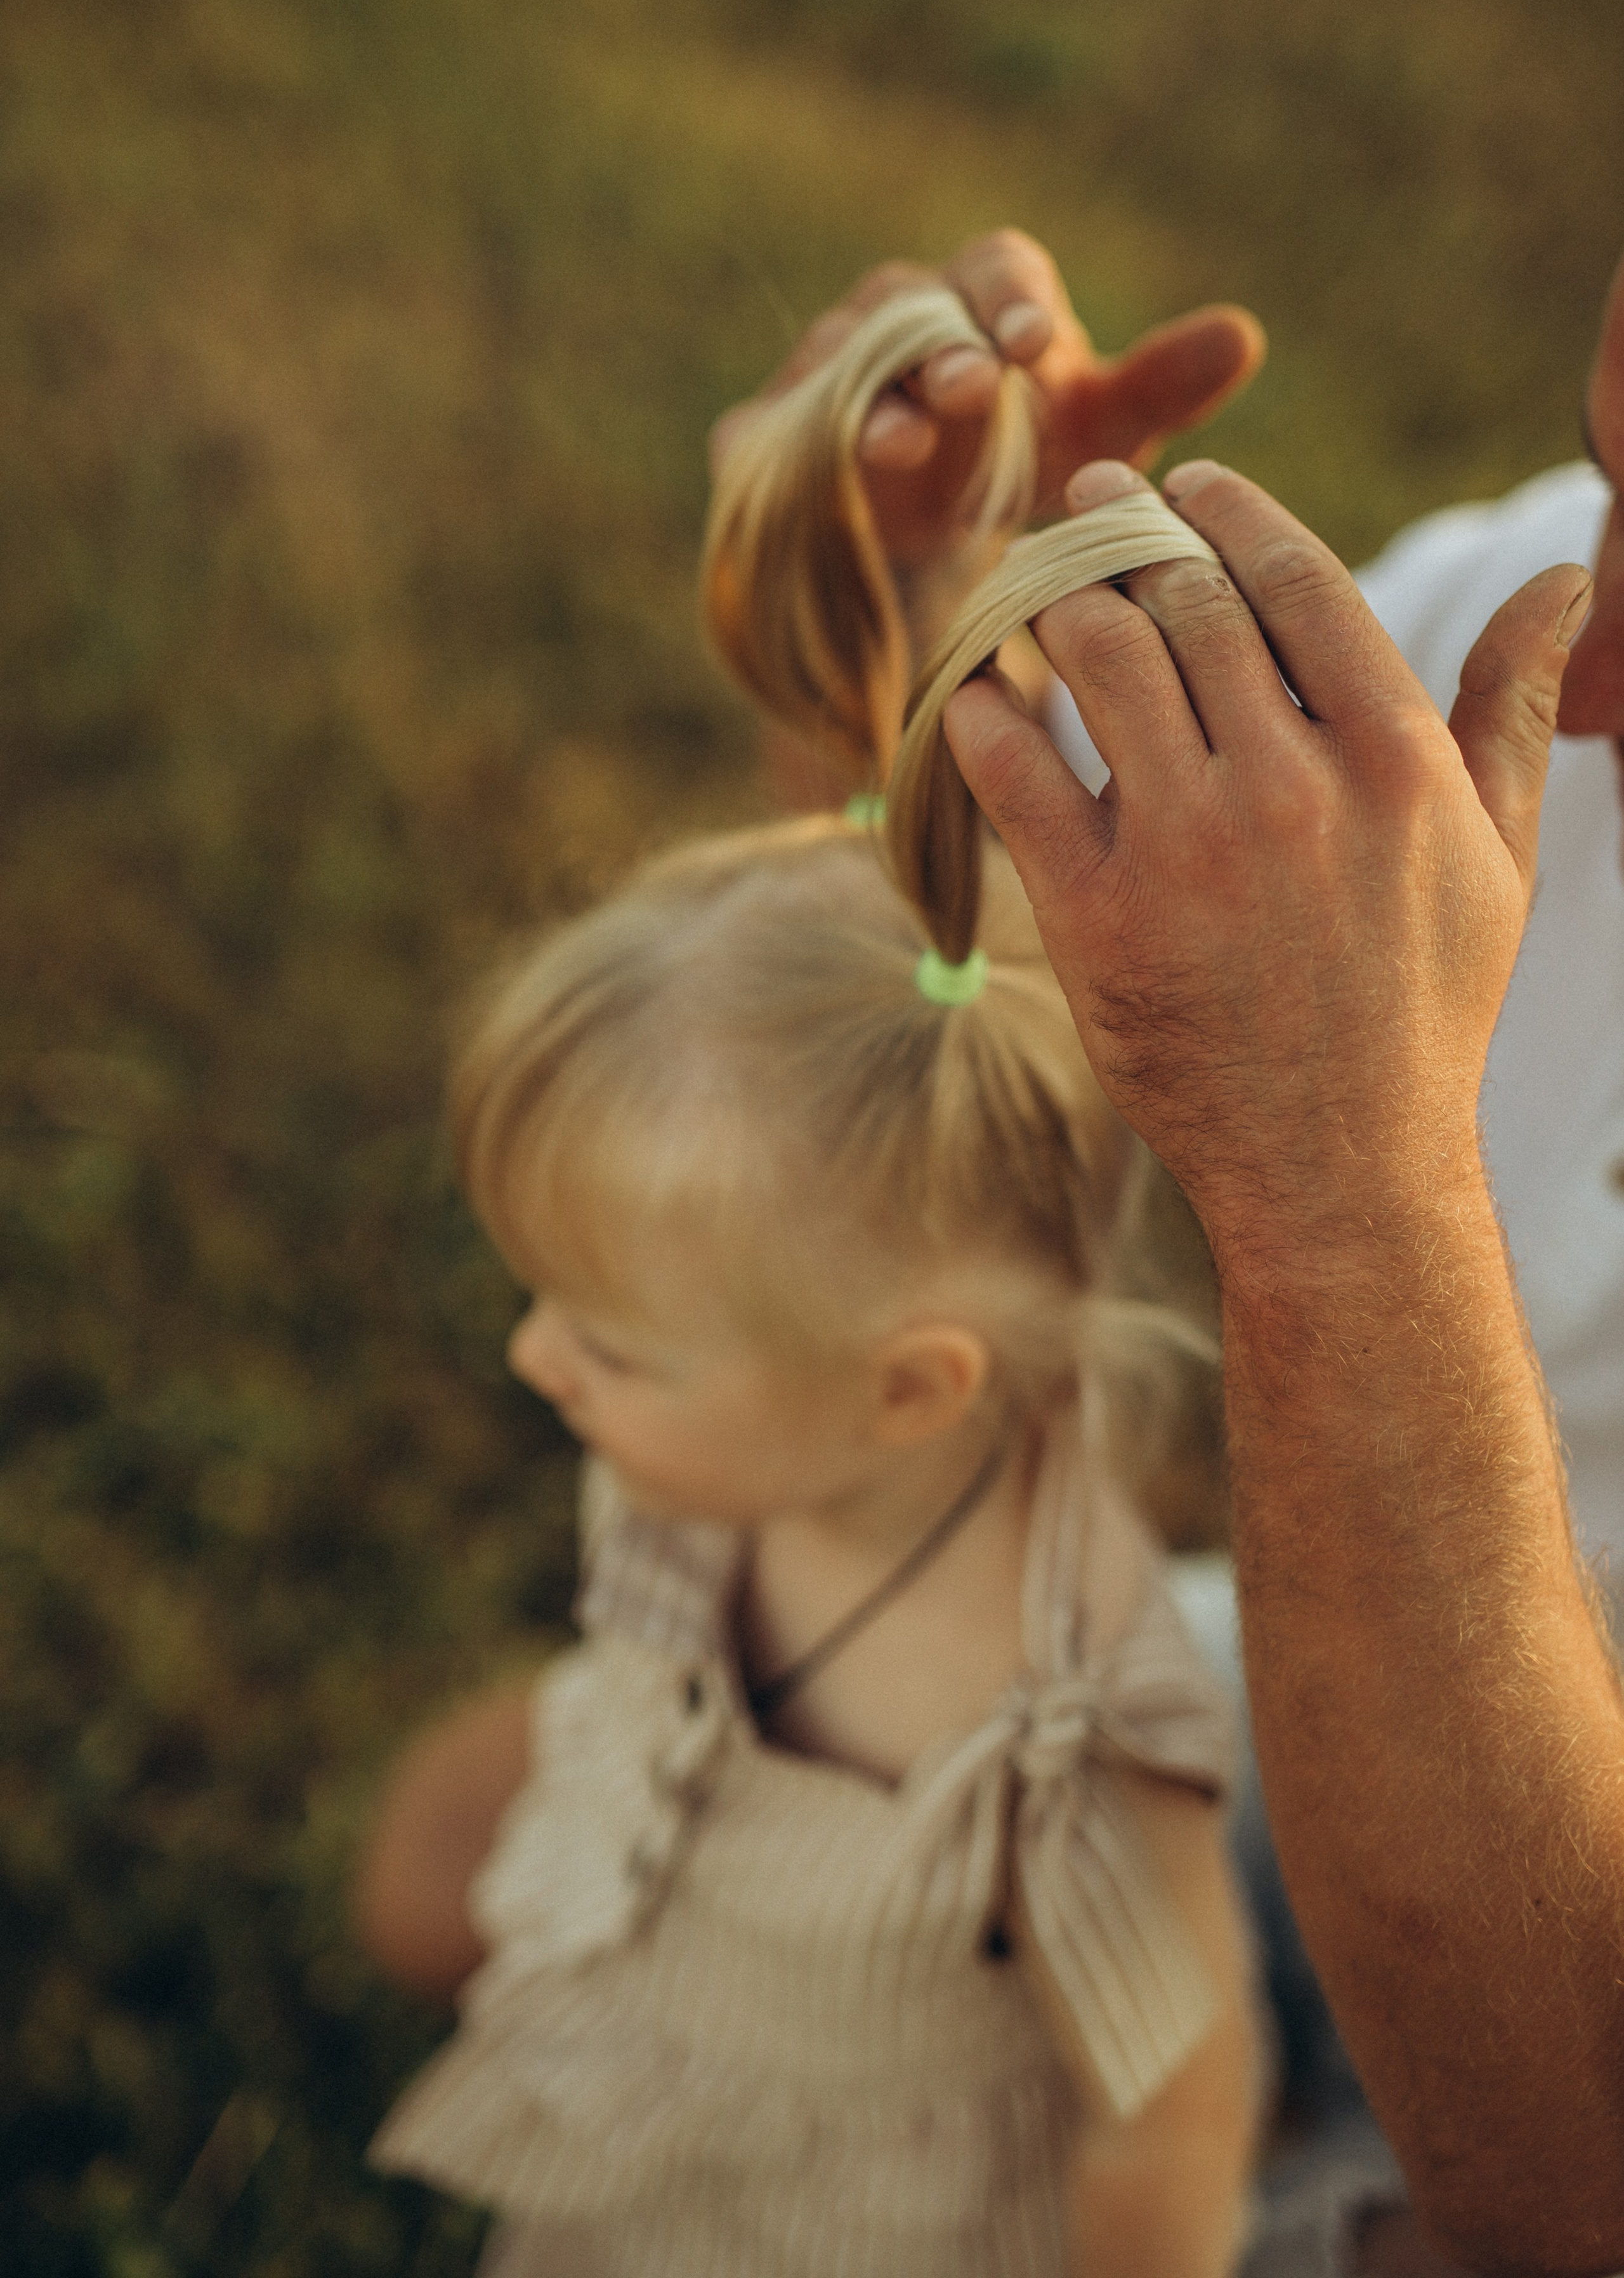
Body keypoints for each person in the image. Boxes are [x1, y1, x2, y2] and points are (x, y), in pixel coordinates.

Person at [740, 229, 1624, 2268]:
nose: (1602, 654)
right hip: (1444, 1673)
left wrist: (1349, 1193)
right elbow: (950, 1028)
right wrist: (882, 668)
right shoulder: (1537, 600)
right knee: (499, 1861)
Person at [356, 798, 1262, 2275]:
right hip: (662, 2109)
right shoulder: (732, 1454)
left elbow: (1166, 2113)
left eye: (610, 1344)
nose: (535, 1359)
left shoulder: (1056, 1739)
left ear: (905, 1387)